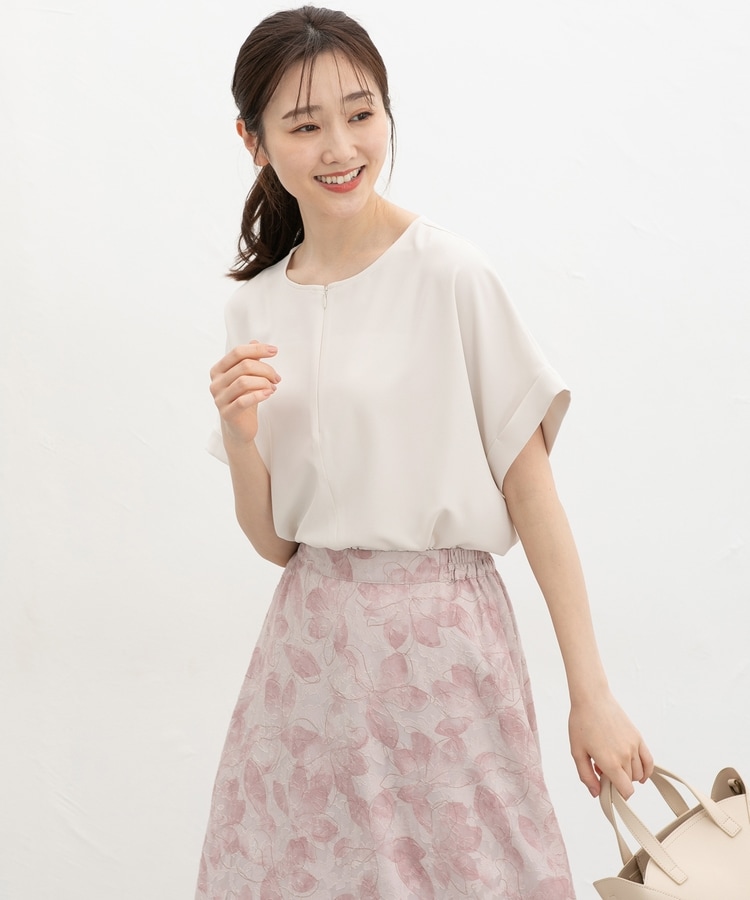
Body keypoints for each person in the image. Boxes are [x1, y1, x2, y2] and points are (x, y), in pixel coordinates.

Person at [197, 6, 653, 898]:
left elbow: (534, 496)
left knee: (482, 874)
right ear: (254, 142)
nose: (341, 148)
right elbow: (277, 544)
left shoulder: (452, 275)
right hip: (309, 663)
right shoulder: (255, 307)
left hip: (446, 649)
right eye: (305, 125)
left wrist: (591, 693)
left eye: (361, 114)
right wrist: (241, 439)